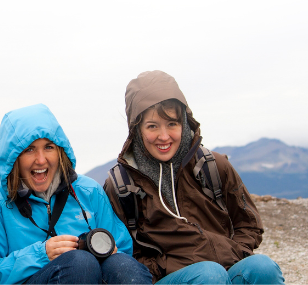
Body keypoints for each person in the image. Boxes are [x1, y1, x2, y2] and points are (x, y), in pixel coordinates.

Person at [103, 70, 285, 284]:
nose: (164, 136)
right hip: (170, 279)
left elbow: (249, 224)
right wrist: (170, 267)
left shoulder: (213, 166)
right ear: (136, 129)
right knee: (208, 275)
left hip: (224, 270)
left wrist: (232, 253)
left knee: (262, 268)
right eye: (152, 126)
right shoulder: (122, 185)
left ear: (184, 123)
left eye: (172, 123)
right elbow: (124, 253)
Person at [0, 104, 152, 285]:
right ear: (14, 157)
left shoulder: (88, 191)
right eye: (29, 149)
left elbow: (122, 248)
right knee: (81, 263)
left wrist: (109, 251)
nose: (41, 159)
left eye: (49, 147)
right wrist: (41, 254)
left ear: (60, 151)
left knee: (123, 267)